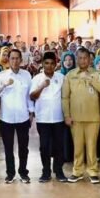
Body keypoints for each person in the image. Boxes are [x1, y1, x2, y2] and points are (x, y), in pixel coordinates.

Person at [62, 47, 100, 184]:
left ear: (90, 59)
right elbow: (65, 97)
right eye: (80, 58)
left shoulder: (97, 73)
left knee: (92, 146)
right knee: (78, 146)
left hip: (93, 118)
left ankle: (93, 172)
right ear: (77, 59)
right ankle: (77, 171)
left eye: (85, 58)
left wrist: (90, 78)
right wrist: (67, 115)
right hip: (75, 118)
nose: (82, 61)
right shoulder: (70, 75)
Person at [0, 48, 34, 184]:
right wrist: (3, 85)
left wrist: (31, 112)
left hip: (23, 117)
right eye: (12, 58)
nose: (15, 61)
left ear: (21, 60)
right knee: (8, 148)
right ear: (8, 60)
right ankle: (10, 173)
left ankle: (23, 172)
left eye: (17, 58)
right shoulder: (1, 75)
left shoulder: (27, 75)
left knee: (23, 147)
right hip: (6, 117)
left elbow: (29, 96)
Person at [30, 51, 67, 183]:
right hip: (43, 118)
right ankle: (46, 171)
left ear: (56, 64)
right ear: (42, 64)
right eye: (46, 63)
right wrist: (41, 86)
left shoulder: (62, 77)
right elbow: (32, 96)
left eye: (52, 63)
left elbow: (66, 96)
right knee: (44, 146)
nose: (49, 66)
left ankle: (59, 170)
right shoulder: (36, 79)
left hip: (58, 118)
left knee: (59, 146)